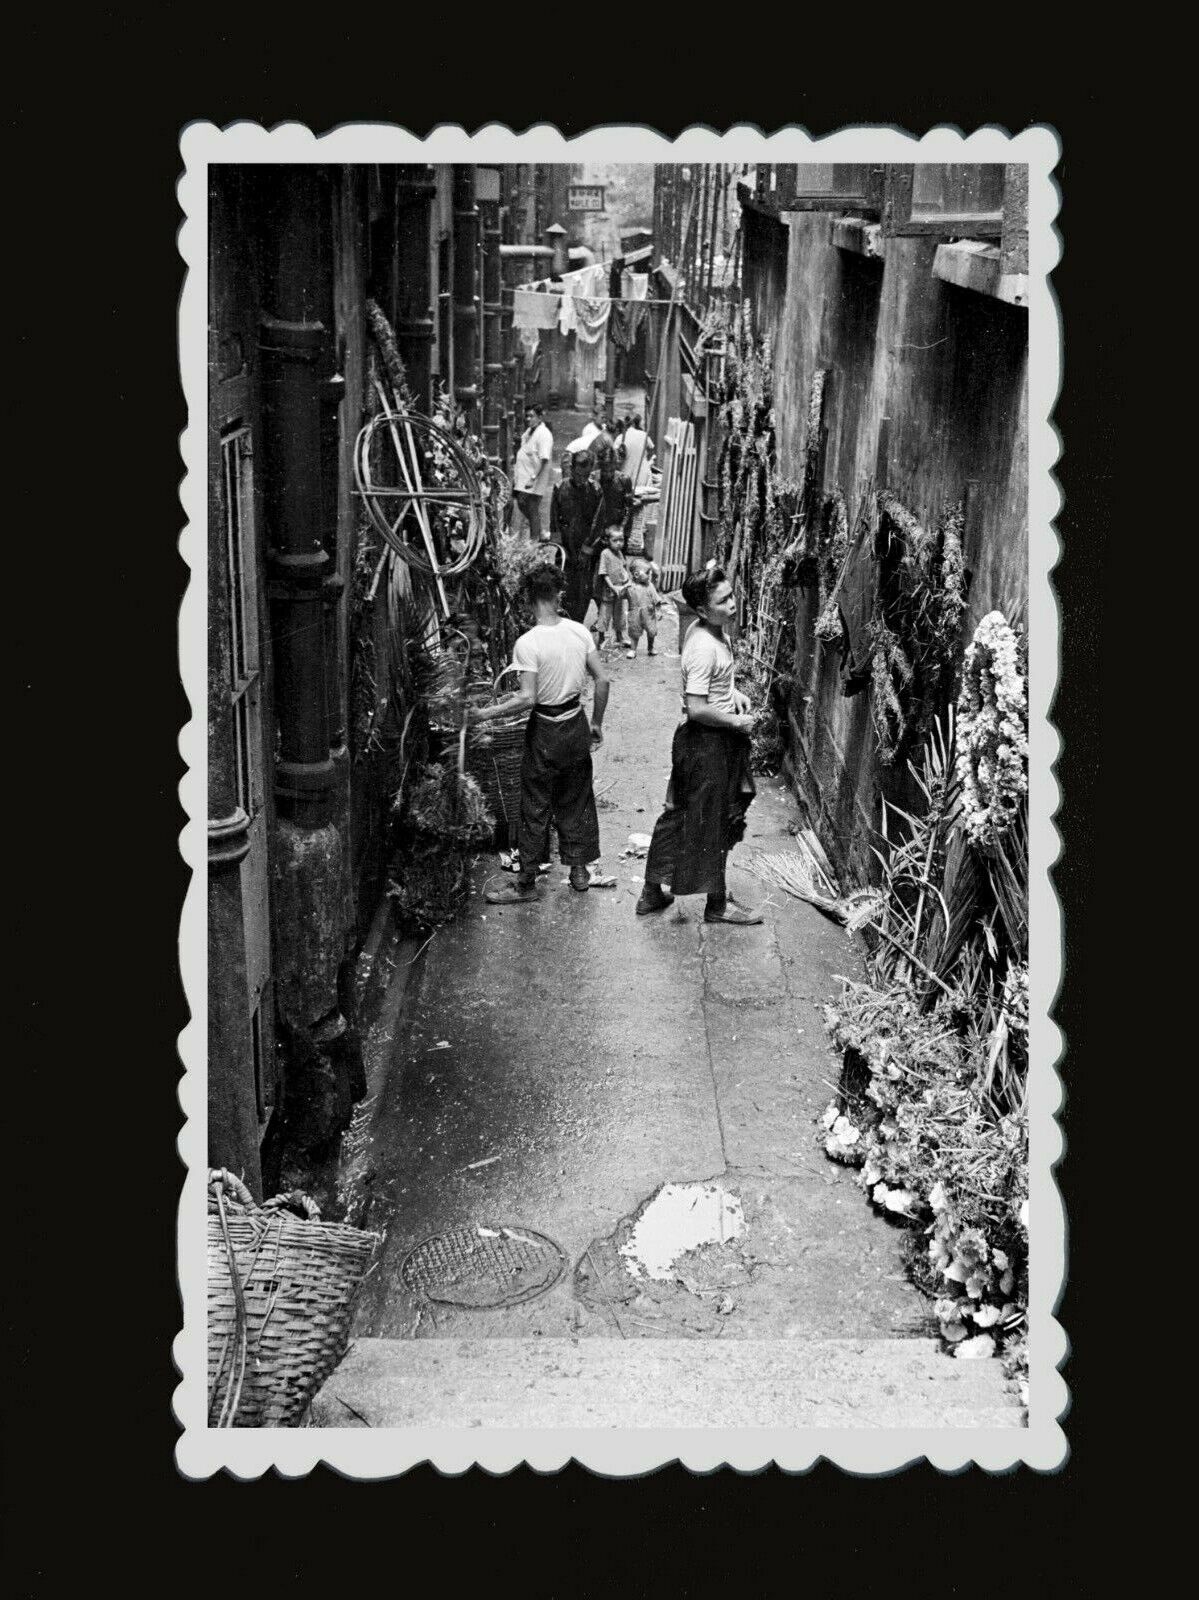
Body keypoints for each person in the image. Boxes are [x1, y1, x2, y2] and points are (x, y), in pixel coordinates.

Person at [471, 565, 610, 904]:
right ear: (558, 594)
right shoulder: (579, 632)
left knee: (534, 805)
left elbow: (526, 698)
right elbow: (603, 680)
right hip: (576, 722)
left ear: (528, 598)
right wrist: (596, 723)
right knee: (577, 798)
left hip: (546, 728)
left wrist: (483, 714)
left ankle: (527, 885)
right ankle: (579, 873)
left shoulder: (528, 642)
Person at [635, 565, 763, 926]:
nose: (733, 604)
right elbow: (697, 708)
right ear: (704, 610)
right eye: (724, 601)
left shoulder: (708, 630)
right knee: (715, 821)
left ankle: (650, 893)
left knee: (681, 815)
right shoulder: (704, 646)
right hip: (708, 744)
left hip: (704, 742)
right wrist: (736, 720)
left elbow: (708, 688)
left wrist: (732, 693)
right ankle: (718, 904)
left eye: (732, 595)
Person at [549, 448, 601, 625]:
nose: (581, 479)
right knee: (564, 584)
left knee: (583, 587)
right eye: (578, 474)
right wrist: (559, 547)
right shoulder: (560, 488)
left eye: (585, 476)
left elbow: (597, 522)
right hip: (565, 546)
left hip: (585, 546)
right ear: (571, 469)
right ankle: (563, 622)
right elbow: (554, 520)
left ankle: (578, 623)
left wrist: (587, 549)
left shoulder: (595, 490)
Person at [511, 404, 554, 541]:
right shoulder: (529, 431)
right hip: (524, 475)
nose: (528, 419)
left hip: (535, 476)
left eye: (532, 416)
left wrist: (533, 478)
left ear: (540, 417)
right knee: (522, 503)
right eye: (527, 416)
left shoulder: (544, 434)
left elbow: (544, 459)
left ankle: (535, 540)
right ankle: (540, 531)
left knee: (532, 507)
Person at [593, 525, 632, 651]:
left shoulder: (620, 553)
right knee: (605, 615)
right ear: (607, 541)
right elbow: (603, 573)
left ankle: (619, 636)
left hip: (620, 591)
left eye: (621, 540)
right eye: (615, 541)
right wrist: (612, 586)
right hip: (608, 591)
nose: (619, 543)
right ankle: (601, 639)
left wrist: (627, 581)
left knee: (620, 614)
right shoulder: (605, 554)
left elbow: (624, 569)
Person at [623, 553, 662, 659]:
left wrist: (658, 611)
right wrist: (624, 587)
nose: (650, 575)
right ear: (636, 575)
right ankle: (633, 649)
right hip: (634, 614)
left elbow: (656, 600)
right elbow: (621, 596)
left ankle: (650, 647)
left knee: (651, 631)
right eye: (647, 573)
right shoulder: (630, 587)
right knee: (634, 632)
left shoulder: (650, 586)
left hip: (649, 613)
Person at [621, 413, 654, 491]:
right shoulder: (644, 435)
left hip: (626, 475)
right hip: (643, 474)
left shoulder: (621, 437)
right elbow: (652, 450)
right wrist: (646, 460)